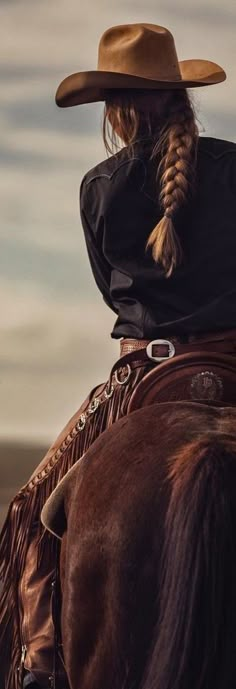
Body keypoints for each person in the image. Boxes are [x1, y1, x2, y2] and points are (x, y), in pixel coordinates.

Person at [0, 20, 235, 689]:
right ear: (181, 95)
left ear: (114, 109)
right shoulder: (234, 168)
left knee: (34, 514)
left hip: (147, 375)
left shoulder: (99, 189)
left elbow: (113, 291)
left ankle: (39, 661)